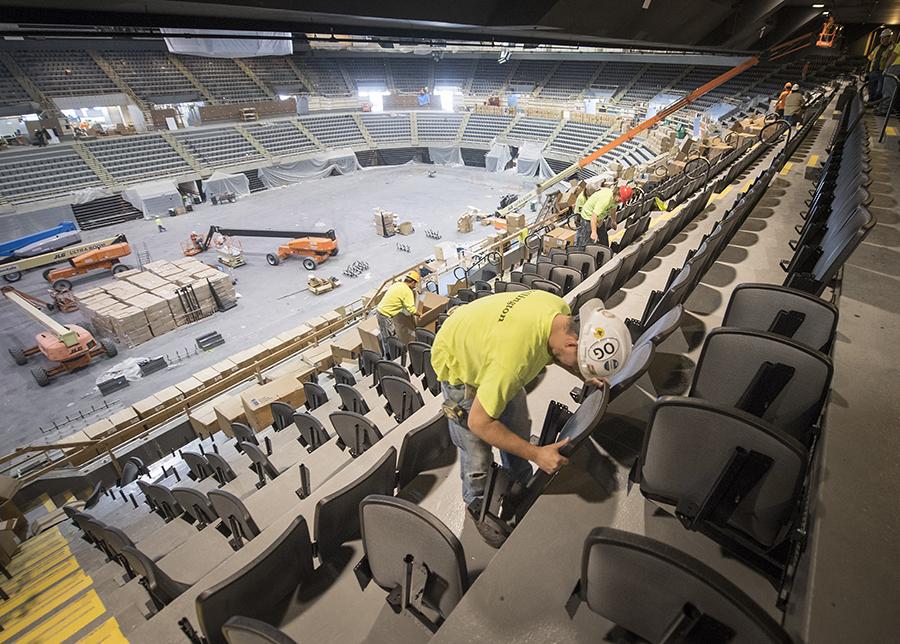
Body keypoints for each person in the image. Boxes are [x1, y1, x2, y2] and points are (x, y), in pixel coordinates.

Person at [430, 291, 610, 546]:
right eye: (580, 363)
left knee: (517, 428)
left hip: (493, 345)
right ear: (572, 343)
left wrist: (583, 374)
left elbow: (554, 351)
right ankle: (476, 503)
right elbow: (479, 423)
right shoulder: (512, 361)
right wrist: (537, 454)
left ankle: (520, 483)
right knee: (477, 452)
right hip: (459, 363)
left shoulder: (558, 313)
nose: (577, 367)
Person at [576, 183, 633, 248]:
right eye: (620, 199)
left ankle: (604, 254)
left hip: (599, 217)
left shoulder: (615, 200)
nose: (620, 201)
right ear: (617, 193)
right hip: (588, 217)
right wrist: (594, 232)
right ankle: (583, 255)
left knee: (604, 240)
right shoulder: (605, 200)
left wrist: (613, 221)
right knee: (587, 242)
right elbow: (593, 216)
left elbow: (613, 209)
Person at [375, 270, 419, 346]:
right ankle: (392, 356)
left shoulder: (397, 284)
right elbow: (411, 310)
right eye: (415, 284)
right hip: (385, 315)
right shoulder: (407, 291)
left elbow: (397, 298)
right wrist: (420, 314)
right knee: (390, 339)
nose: (415, 286)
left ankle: (391, 353)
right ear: (412, 282)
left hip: (380, 311)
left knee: (386, 336)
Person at [866, 29, 895, 103]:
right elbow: (870, 58)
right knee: (871, 88)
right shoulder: (878, 47)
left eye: (884, 37)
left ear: (889, 38)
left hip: (883, 72)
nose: (881, 39)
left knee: (880, 90)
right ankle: (871, 101)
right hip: (873, 71)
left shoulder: (893, 48)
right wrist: (867, 71)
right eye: (881, 38)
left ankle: (876, 103)